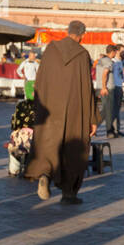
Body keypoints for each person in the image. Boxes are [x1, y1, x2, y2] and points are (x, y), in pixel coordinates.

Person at [26, 20, 98, 204]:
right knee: (74, 150)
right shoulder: (82, 54)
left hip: (50, 108)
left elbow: (40, 80)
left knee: (49, 143)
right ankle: (69, 193)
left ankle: (45, 173)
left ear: (68, 32)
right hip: (75, 111)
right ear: (82, 34)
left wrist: (39, 107)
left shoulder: (50, 49)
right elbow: (87, 88)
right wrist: (92, 118)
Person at [95, 44, 119, 134]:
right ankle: (109, 131)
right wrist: (104, 87)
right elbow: (105, 73)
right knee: (107, 110)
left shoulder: (101, 60)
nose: (115, 54)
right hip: (107, 89)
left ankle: (108, 129)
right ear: (112, 52)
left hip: (100, 87)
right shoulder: (108, 61)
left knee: (106, 110)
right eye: (115, 52)